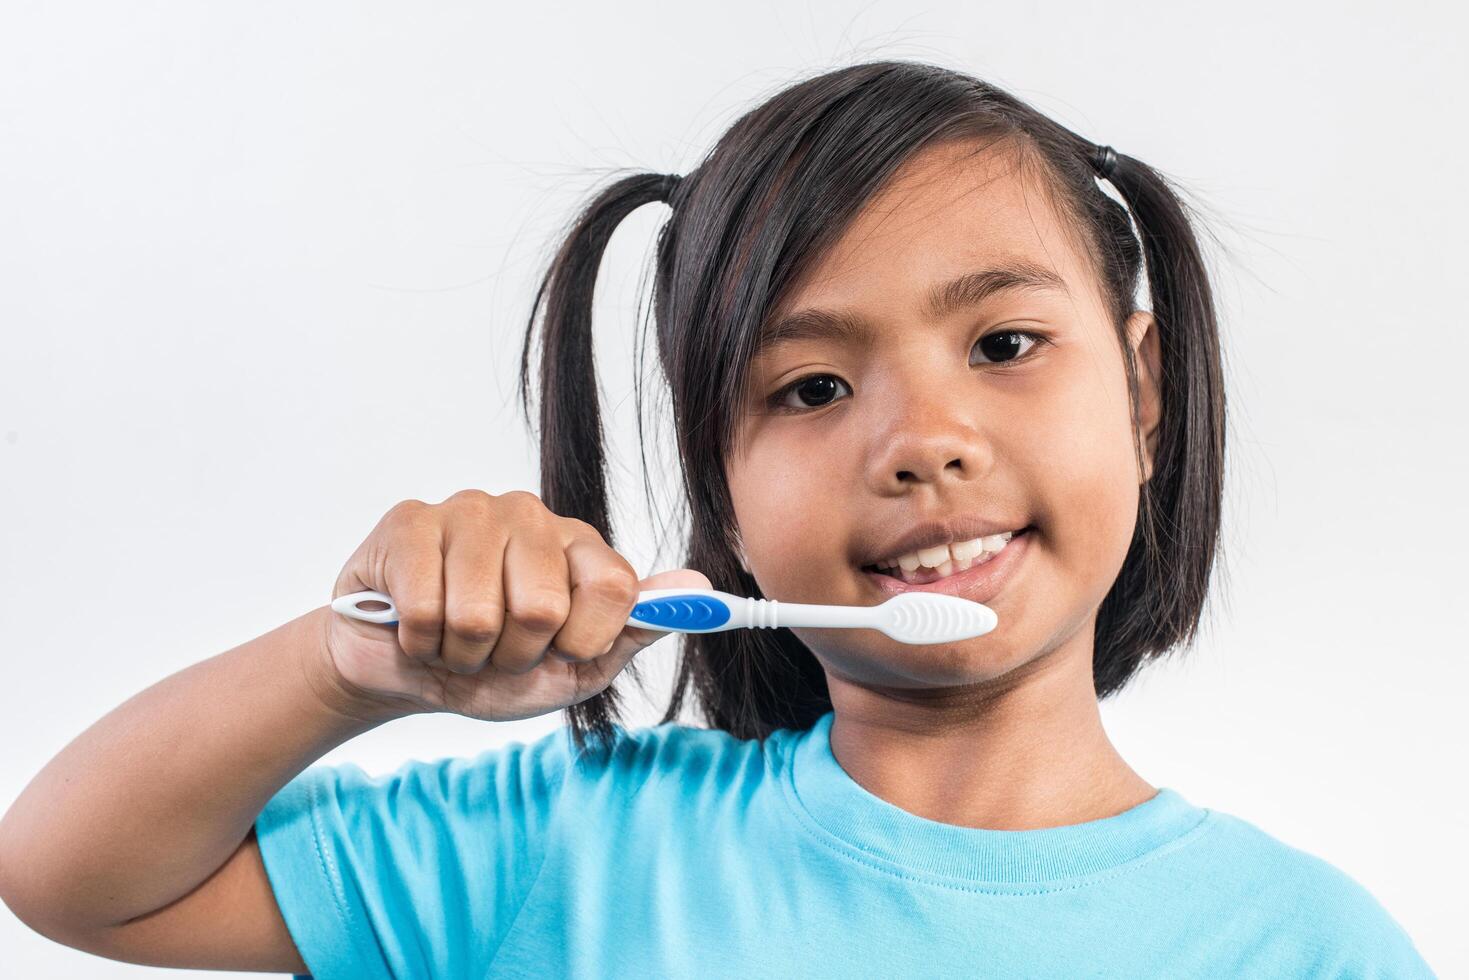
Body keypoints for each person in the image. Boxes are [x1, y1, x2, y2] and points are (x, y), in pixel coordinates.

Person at [0, 60, 1435, 978]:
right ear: (725, 503)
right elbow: (74, 878)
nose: (921, 442)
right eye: (808, 387)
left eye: (1002, 346)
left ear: (1140, 391)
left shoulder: (1302, 950)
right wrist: (349, 667)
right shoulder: (558, 850)